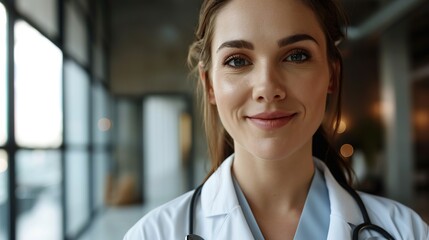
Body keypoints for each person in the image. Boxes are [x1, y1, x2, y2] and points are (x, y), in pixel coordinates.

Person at [124, 0, 429, 239]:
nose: (268, 88)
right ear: (210, 85)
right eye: (238, 61)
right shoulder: (152, 234)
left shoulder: (406, 232)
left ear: (331, 75)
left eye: (296, 55)